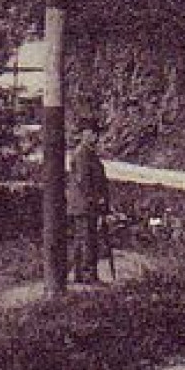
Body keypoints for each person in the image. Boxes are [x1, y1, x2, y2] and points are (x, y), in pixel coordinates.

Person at [66, 121, 112, 284]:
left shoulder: (88, 153)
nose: (95, 136)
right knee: (87, 239)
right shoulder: (82, 154)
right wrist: (96, 199)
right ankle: (87, 275)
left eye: (96, 133)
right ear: (84, 134)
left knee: (83, 239)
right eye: (91, 133)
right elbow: (83, 181)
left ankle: (81, 274)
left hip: (84, 204)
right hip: (84, 204)